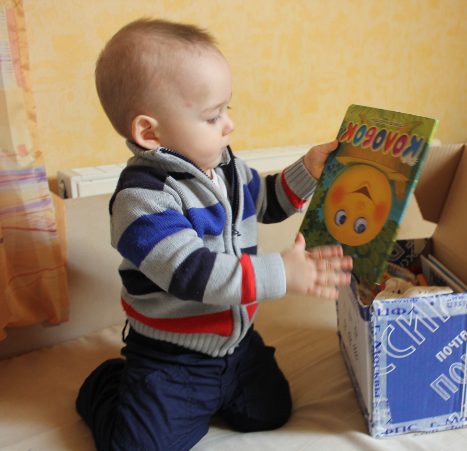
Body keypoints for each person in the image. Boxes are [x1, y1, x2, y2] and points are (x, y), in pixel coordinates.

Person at [76, 18, 352, 451]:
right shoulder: (142, 200)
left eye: (227, 109)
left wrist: (307, 171)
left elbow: (267, 200)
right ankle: (110, 384)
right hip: (172, 358)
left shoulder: (226, 168)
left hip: (237, 344)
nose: (229, 125)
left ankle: (225, 387)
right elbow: (192, 273)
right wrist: (281, 272)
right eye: (212, 116)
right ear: (149, 132)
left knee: (271, 412)